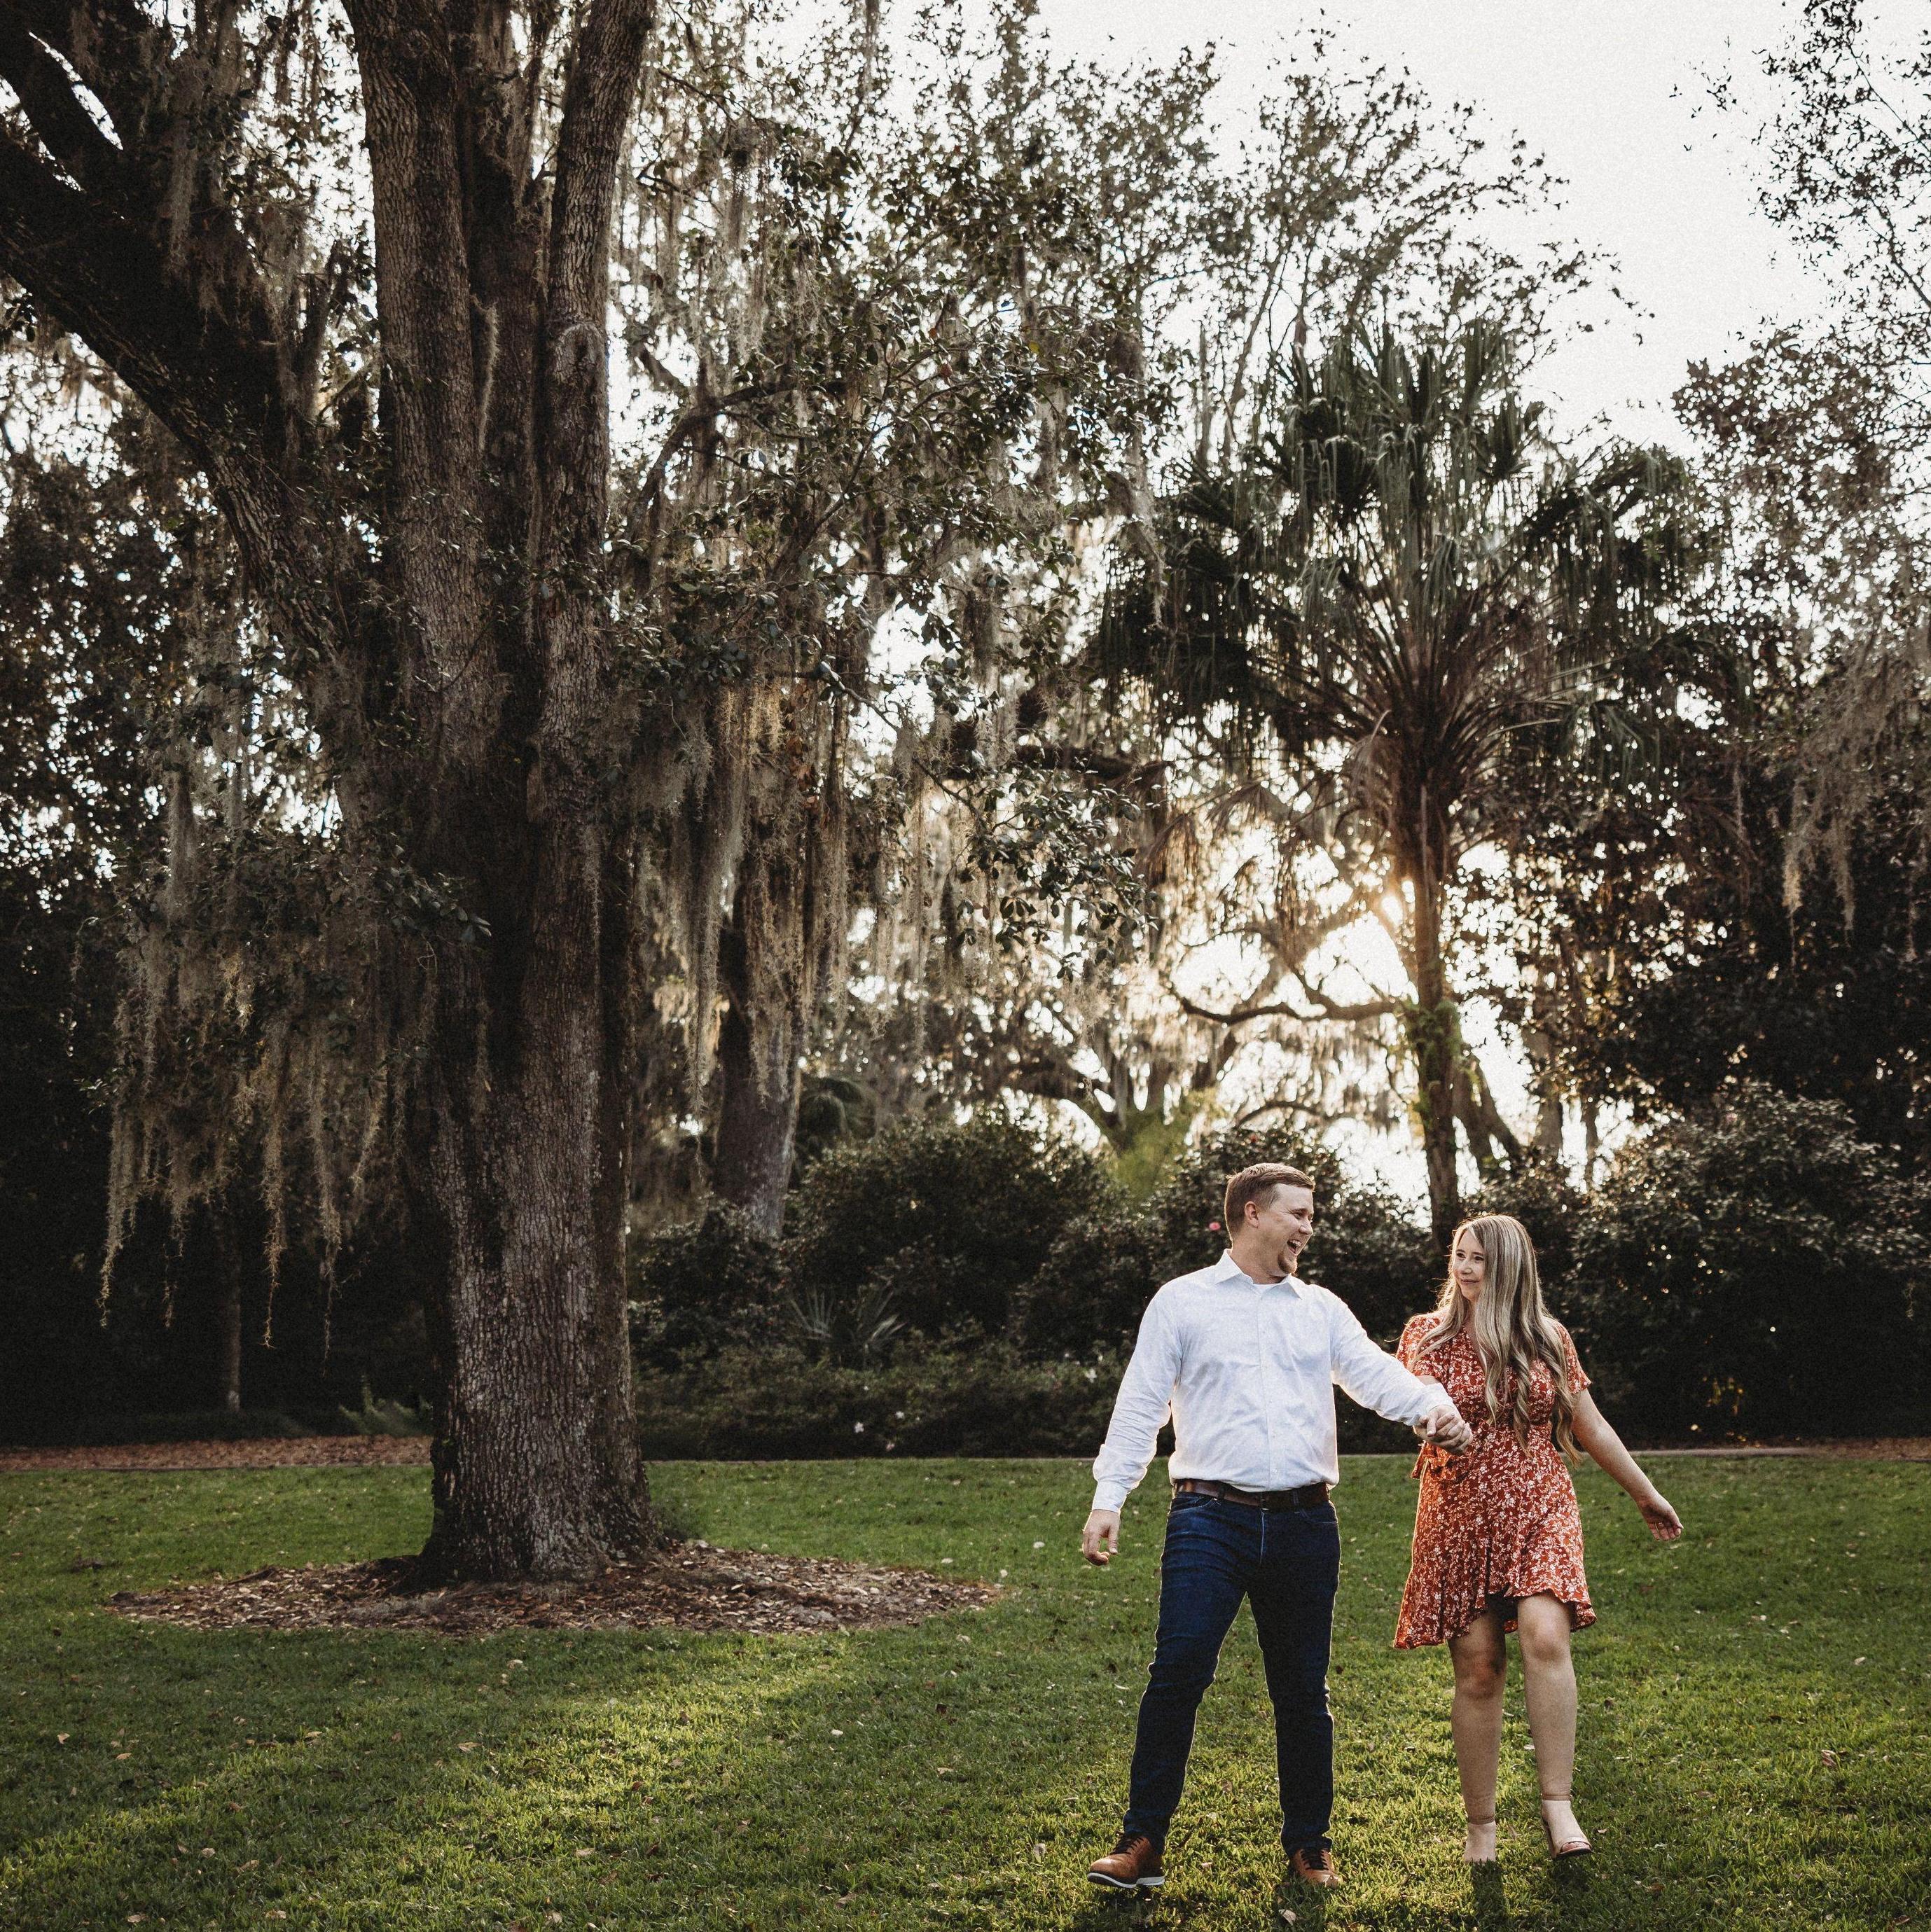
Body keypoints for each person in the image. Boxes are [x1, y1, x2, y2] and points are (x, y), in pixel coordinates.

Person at [1079, 1162, 1476, 1897]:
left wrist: (1433, 1408)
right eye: (1298, 1213)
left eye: (1311, 1214)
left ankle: (1309, 1845)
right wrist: (1111, 1495)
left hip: (1304, 1523)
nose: (1308, 1227)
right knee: (1178, 1673)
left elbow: (1376, 1375)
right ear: (1253, 1213)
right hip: (1208, 1518)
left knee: (1301, 1689)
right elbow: (1141, 1404)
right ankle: (1140, 1842)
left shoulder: (1319, 1308)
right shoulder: (1183, 1302)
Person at [1394, 1214, 1683, 1863]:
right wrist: (1427, 1424)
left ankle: (1558, 1805)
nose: (1465, 1269)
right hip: (1457, 1513)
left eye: (1480, 1260)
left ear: (1510, 1269)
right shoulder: (1425, 1336)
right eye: (1459, 1256)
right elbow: (1405, 1404)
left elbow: (1589, 1423)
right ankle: (1482, 1826)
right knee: (1476, 1669)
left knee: (1544, 1634)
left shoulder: (1547, 1338)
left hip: (1537, 1503)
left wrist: (1645, 1492)